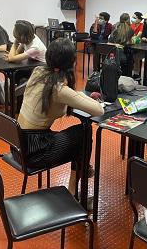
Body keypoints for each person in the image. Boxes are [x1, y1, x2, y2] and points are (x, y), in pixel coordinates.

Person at [16, 38, 104, 194]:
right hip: (35, 151)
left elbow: (67, 94)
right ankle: (74, 189)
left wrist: (78, 95)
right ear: (72, 63)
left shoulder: (38, 72)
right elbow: (99, 111)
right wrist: (85, 97)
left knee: (79, 140)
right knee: (84, 133)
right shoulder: (58, 89)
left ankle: (82, 172)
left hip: (18, 143)